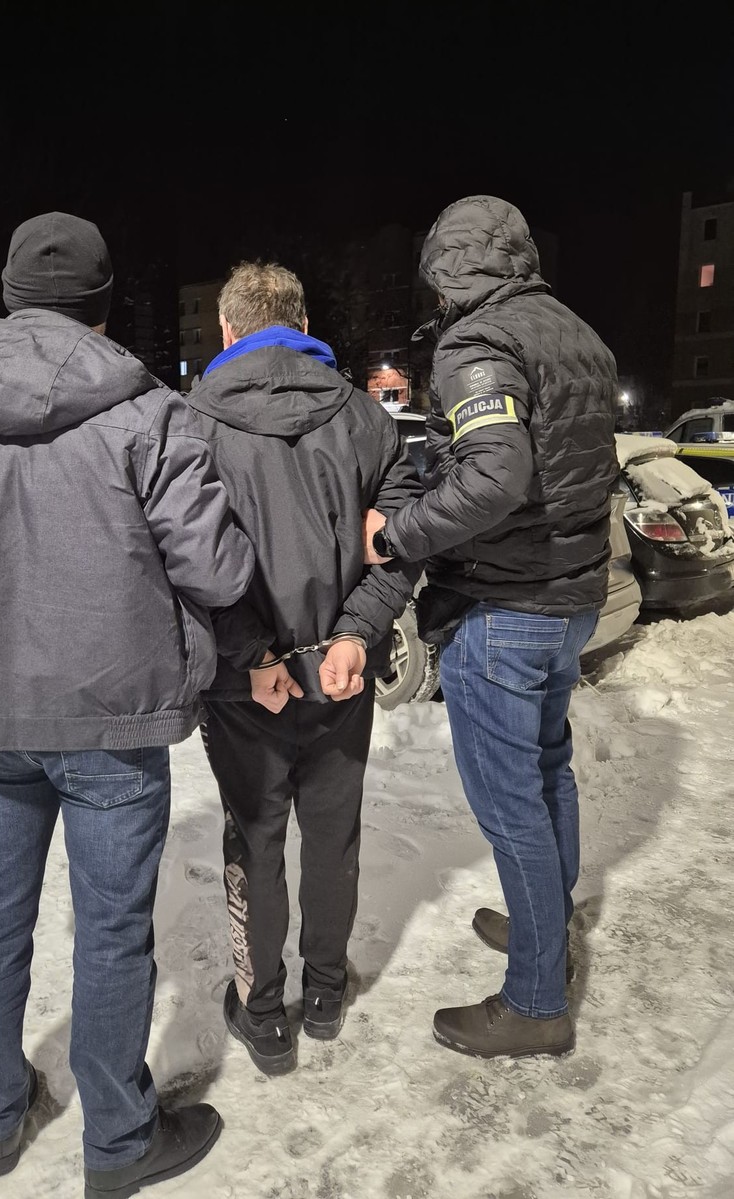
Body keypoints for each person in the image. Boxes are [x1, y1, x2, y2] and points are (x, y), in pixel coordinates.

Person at [0, 212, 255, 1198]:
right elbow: (217, 569)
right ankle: (118, 1141)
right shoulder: (151, 416)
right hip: (112, 720)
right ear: (102, 304)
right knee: (112, 928)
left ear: (8, 295)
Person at [363, 195, 619, 1059]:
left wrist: (396, 533)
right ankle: (547, 920)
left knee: (511, 806)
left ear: (448, 269)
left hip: (506, 608)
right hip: (569, 597)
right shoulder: (575, 333)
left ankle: (537, 1000)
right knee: (548, 772)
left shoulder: (477, 344)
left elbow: (495, 476)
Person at [185, 260, 425, 1075]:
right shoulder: (365, 419)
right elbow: (404, 539)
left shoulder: (192, 424)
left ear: (228, 330)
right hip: (335, 675)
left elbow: (187, 560)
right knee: (332, 834)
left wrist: (251, 653)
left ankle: (265, 1015)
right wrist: (357, 631)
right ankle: (322, 993)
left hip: (248, 685)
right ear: (303, 324)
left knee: (255, 839)